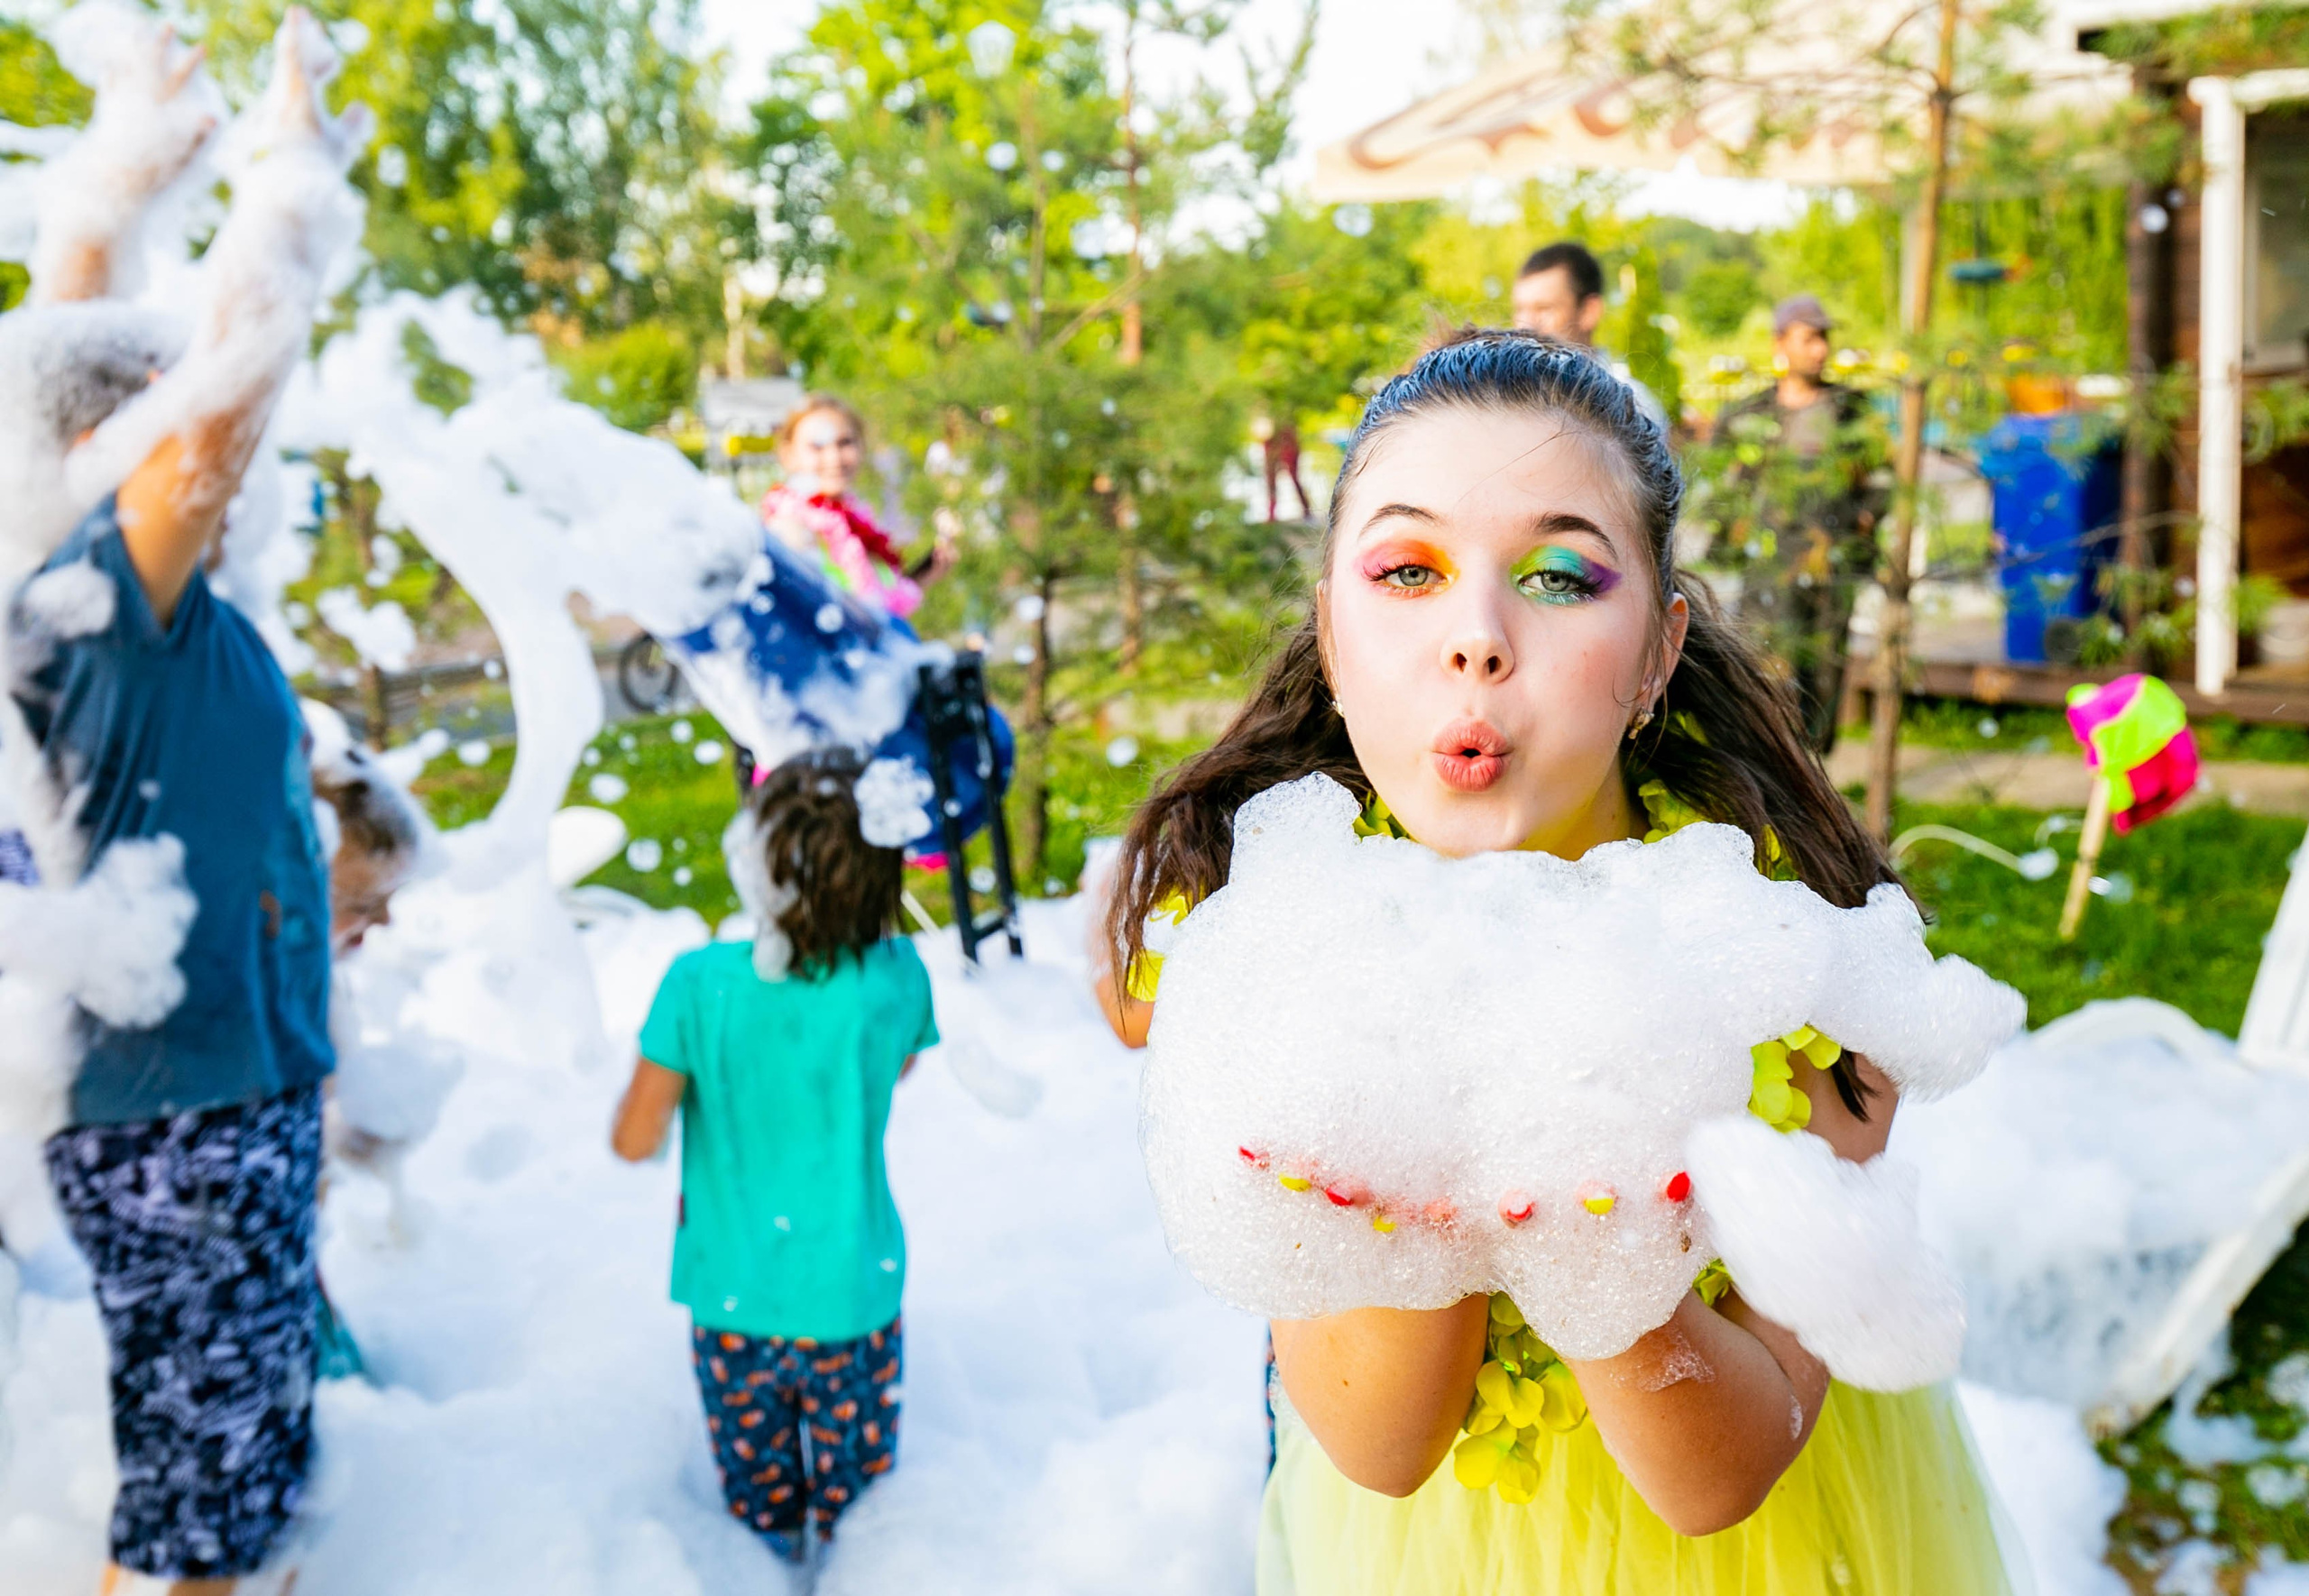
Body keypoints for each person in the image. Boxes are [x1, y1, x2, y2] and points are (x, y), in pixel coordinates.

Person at [1102, 331, 2011, 1593]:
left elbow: (1718, 1476)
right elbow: (1380, 1440)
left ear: (1656, 651)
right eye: (1409, 569)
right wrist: (1431, 1117)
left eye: (1559, 576)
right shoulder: (1281, 947)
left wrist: (1591, 1195)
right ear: (1330, 627)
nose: (1476, 636)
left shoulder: (1793, 964)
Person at [14, 14, 367, 1594]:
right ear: (118, 451)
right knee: (196, 1508)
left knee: (219, 1456)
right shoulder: (103, 601)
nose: (230, 470)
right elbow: (225, 389)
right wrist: (290, 169)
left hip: (221, 1087)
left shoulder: (131, 609)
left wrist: (143, 141)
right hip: (188, 1114)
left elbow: (90, 355)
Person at [611, 747, 935, 1565]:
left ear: (757, 864)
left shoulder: (697, 984)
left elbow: (632, 1139)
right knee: (862, 1530)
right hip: (853, 1298)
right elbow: (899, 1063)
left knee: (759, 1528)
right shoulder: (897, 977)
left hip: (734, 1303)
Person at [1713, 295, 1889, 752]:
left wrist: (1862, 521)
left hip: (1830, 567)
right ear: (1781, 343)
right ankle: (1769, 772)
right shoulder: (1749, 415)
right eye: (1809, 337)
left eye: (1824, 338)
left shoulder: (1852, 411)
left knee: (1824, 672)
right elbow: (1723, 487)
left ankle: (1815, 775)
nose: (1820, 349)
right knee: (1762, 673)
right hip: (1769, 571)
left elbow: (1883, 477)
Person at [763, 395, 955, 621]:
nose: (834, 457)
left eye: (845, 443)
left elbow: (876, 613)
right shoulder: (789, 527)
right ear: (789, 455)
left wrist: (920, 580)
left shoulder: (856, 525)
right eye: (817, 446)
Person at [1508, 241, 1668, 431]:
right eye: (1520, 310)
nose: (1526, 326)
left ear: (1589, 312)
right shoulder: (1503, 395)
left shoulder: (1631, 408)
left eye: (1544, 309)